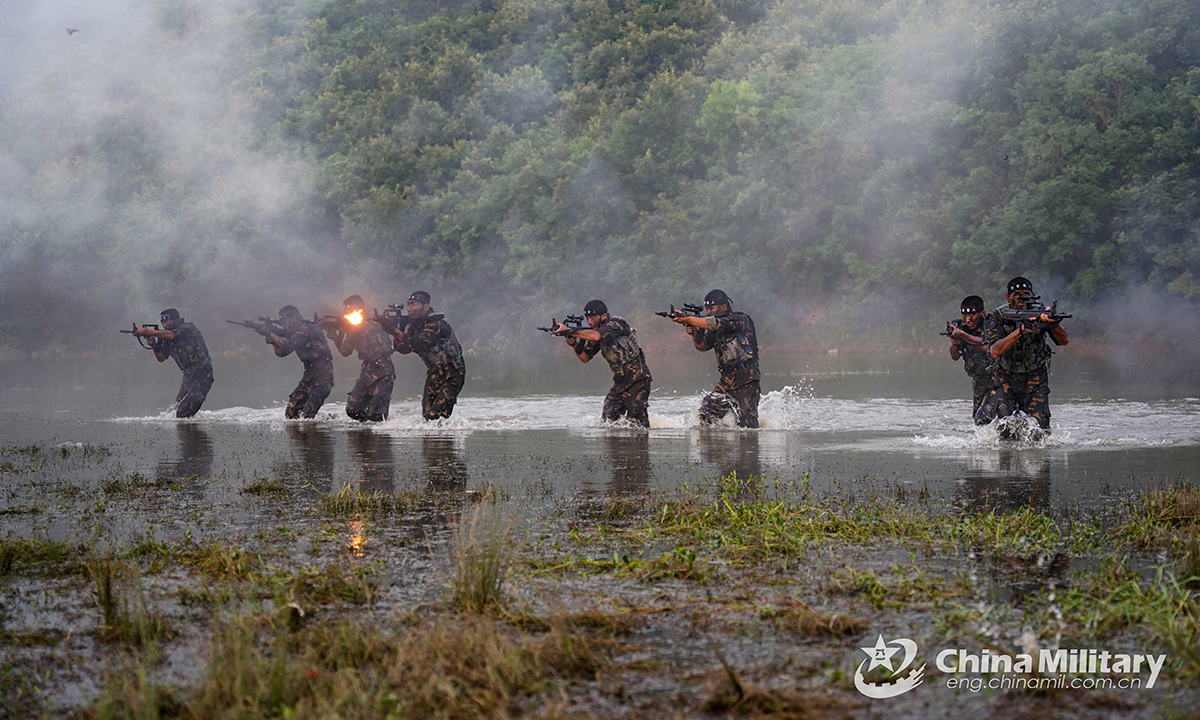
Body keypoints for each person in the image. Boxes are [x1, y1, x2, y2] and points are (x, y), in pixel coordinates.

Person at [978, 276, 1069, 430]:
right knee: (1007, 428)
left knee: (1041, 432)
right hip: (1006, 378)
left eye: (1026, 293)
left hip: (1035, 378)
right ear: (1008, 297)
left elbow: (1063, 341)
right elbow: (994, 351)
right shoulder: (998, 316)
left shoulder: (1039, 312)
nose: (1022, 297)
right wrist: (1020, 330)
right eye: (1017, 294)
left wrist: (1053, 323)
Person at [556, 300, 652, 428]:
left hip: (638, 379)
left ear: (604, 316)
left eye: (593, 318)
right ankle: (615, 446)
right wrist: (573, 343)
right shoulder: (596, 332)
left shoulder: (617, 323)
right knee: (608, 420)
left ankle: (640, 446)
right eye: (587, 318)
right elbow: (584, 357)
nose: (590, 321)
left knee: (638, 423)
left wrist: (570, 330)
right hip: (620, 382)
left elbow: (596, 336)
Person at [671, 289, 760, 428]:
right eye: (706, 309)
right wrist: (694, 331)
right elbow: (702, 346)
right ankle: (715, 447)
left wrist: (687, 318)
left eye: (711, 308)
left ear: (723, 307)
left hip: (746, 381)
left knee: (747, 426)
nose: (708, 312)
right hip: (726, 383)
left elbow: (712, 322)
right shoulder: (715, 327)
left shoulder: (739, 319)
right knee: (705, 417)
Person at [386, 291, 466, 421]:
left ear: (426, 307)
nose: (410, 308)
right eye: (408, 305)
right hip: (435, 373)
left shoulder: (434, 323)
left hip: (452, 373)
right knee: (427, 417)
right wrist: (395, 330)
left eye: (414, 305)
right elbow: (404, 348)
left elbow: (418, 344)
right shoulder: (414, 325)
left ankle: (445, 439)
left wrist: (394, 330)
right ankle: (434, 439)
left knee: (436, 416)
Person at [323, 294, 395, 422]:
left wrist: (349, 327)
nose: (346, 313)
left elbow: (367, 330)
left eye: (349, 310)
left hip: (383, 372)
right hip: (366, 372)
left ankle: (377, 433)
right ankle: (365, 432)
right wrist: (335, 337)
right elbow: (345, 351)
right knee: (353, 410)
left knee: (376, 417)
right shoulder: (353, 328)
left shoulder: (376, 323)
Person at [131, 308, 213, 418]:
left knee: (182, 412)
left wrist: (146, 331)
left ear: (177, 320)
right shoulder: (166, 337)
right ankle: (188, 431)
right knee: (174, 411)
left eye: (168, 320)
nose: (165, 324)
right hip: (188, 376)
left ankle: (192, 433)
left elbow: (173, 335)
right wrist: (153, 345)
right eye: (163, 321)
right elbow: (161, 358)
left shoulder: (188, 328)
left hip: (203, 374)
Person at [264, 305, 335, 419]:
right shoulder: (293, 333)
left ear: (294, 319)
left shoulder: (305, 328)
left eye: (285, 320)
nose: (283, 324)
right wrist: (272, 340)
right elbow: (282, 353)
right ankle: (326, 418)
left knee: (307, 418)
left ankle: (327, 422)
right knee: (291, 415)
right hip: (309, 373)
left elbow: (288, 345)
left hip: (323, 375)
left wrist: (270, 333)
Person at [946, 295, 995, 422]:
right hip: (979, 381)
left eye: (972, 315)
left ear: (982, 313)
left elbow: (988, 345)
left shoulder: (992, 325)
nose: (968, 319)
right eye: (965, 315)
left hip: (999, 379)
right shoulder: (963, 329)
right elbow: (955, 356)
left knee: (987, 417)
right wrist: (955, 342)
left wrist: (963, 335)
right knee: (978, 421)